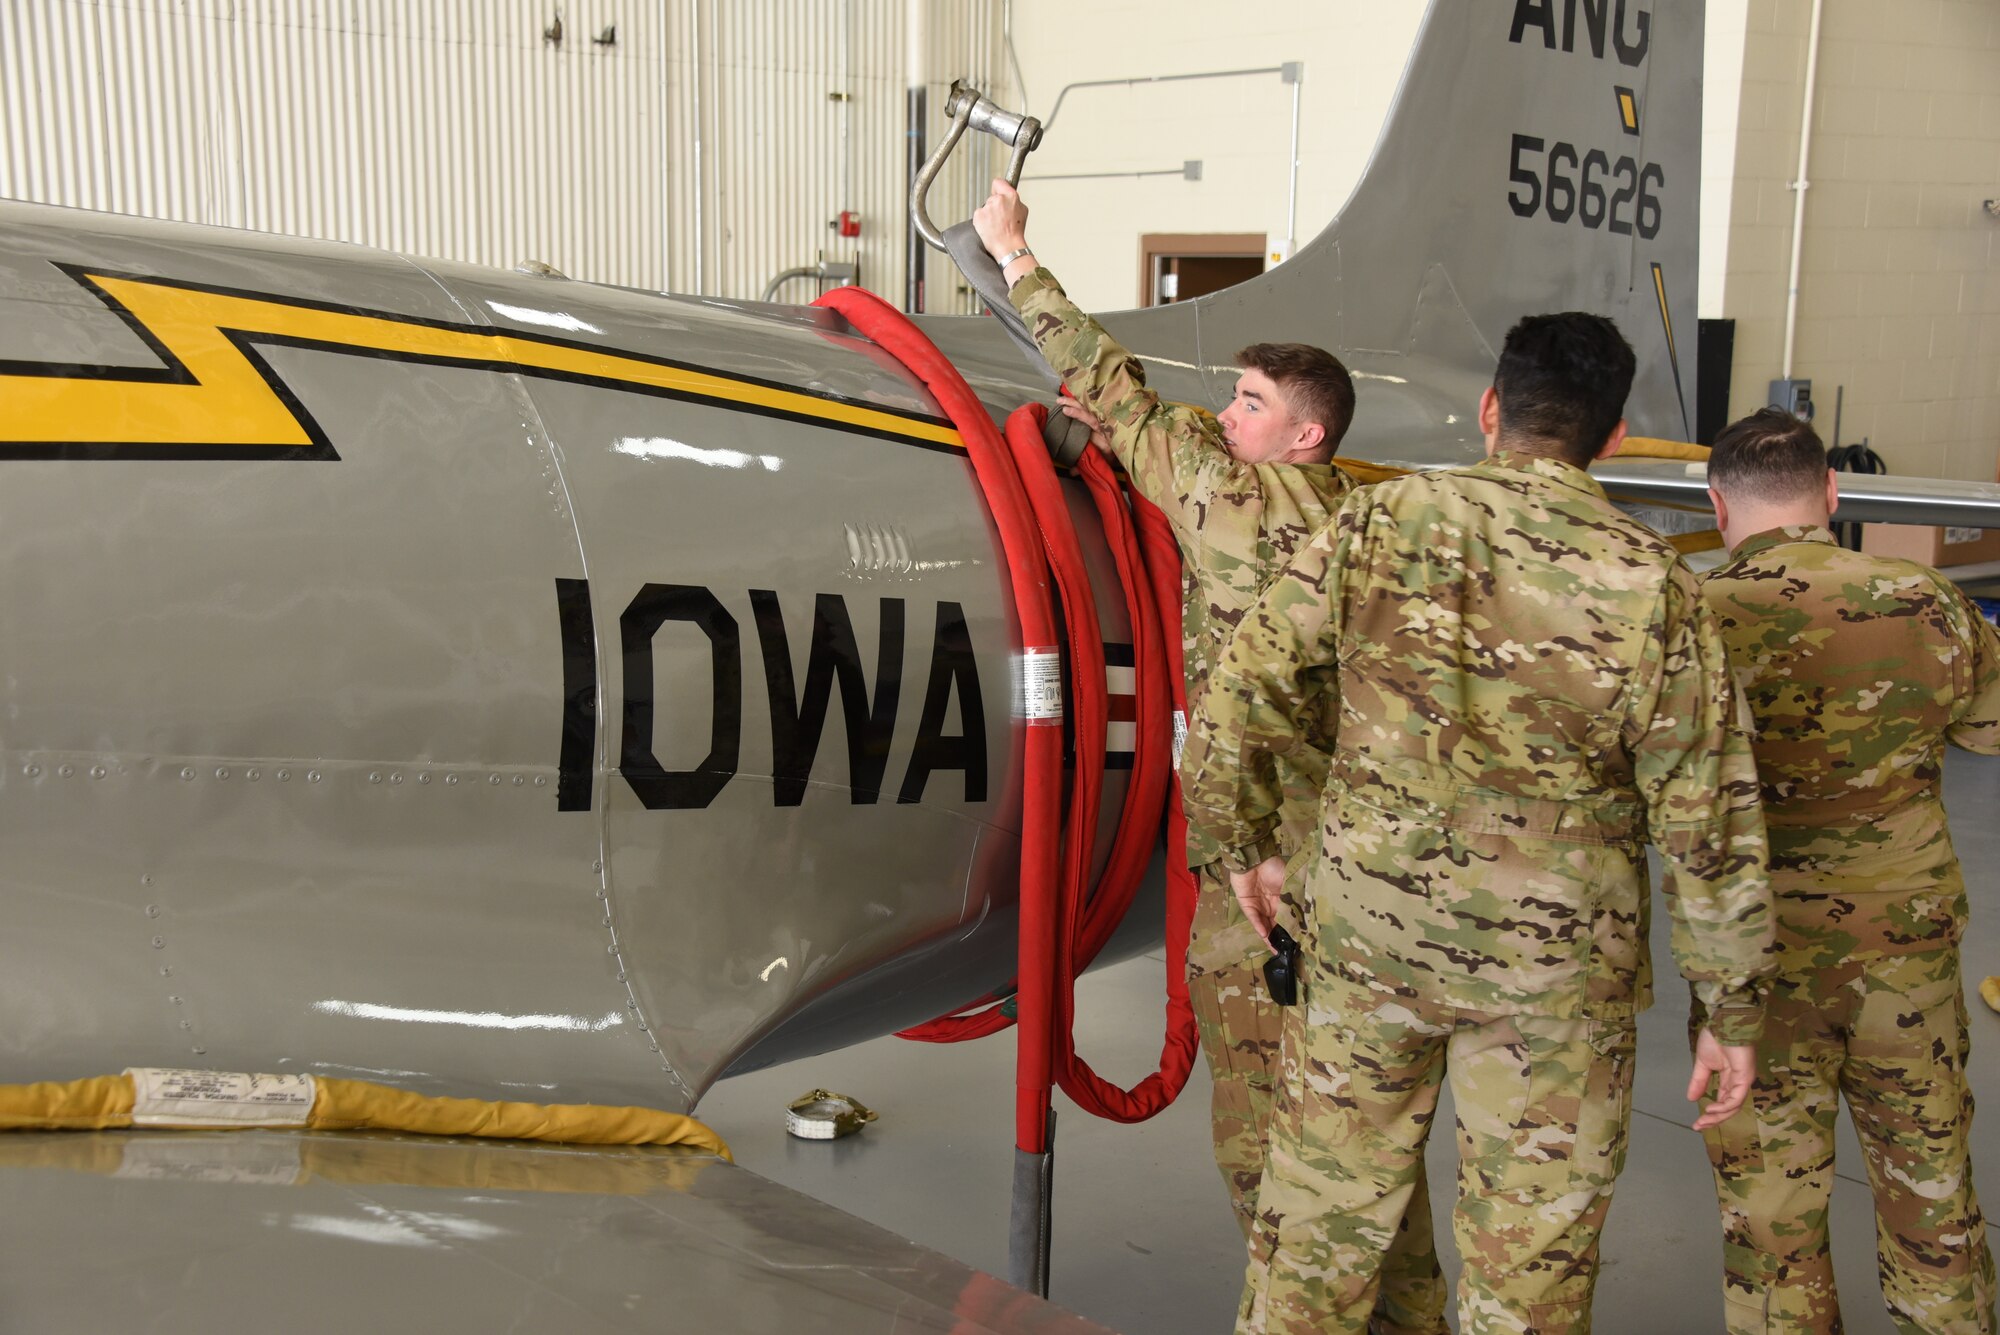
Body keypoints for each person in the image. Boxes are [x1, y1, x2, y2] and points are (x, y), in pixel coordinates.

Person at [1181, 311, 1776, 1335]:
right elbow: (1705, 818)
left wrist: (1241, 849)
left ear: (1488, 409)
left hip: (1368, 946)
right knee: (1530, 1275)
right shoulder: (1653, 584)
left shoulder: (1375, 524)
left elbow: (1240, 695)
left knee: (1313, 1251)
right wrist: (1730, 1007)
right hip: (1552, 981)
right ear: (1614, 434)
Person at [970, 178, 1448, 1335]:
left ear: (1303, 435)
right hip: (1378, 881)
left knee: (1262, 1146)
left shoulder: (1231, 504)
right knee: (1372, 1138)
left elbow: (1114, 395)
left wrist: (1012, 255)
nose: (1224, 415)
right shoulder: (1376, 528)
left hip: (1260, 882)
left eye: (1246, 402)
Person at [1697, 407, 2000, 1334]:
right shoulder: (1924, 597)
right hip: (1904, 947)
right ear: (1833, 492)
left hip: (1756, 962)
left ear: (1716, 507)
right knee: (1932, 1193)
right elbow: (1988, 729)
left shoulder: (1694, 614)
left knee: (1771, 1219)